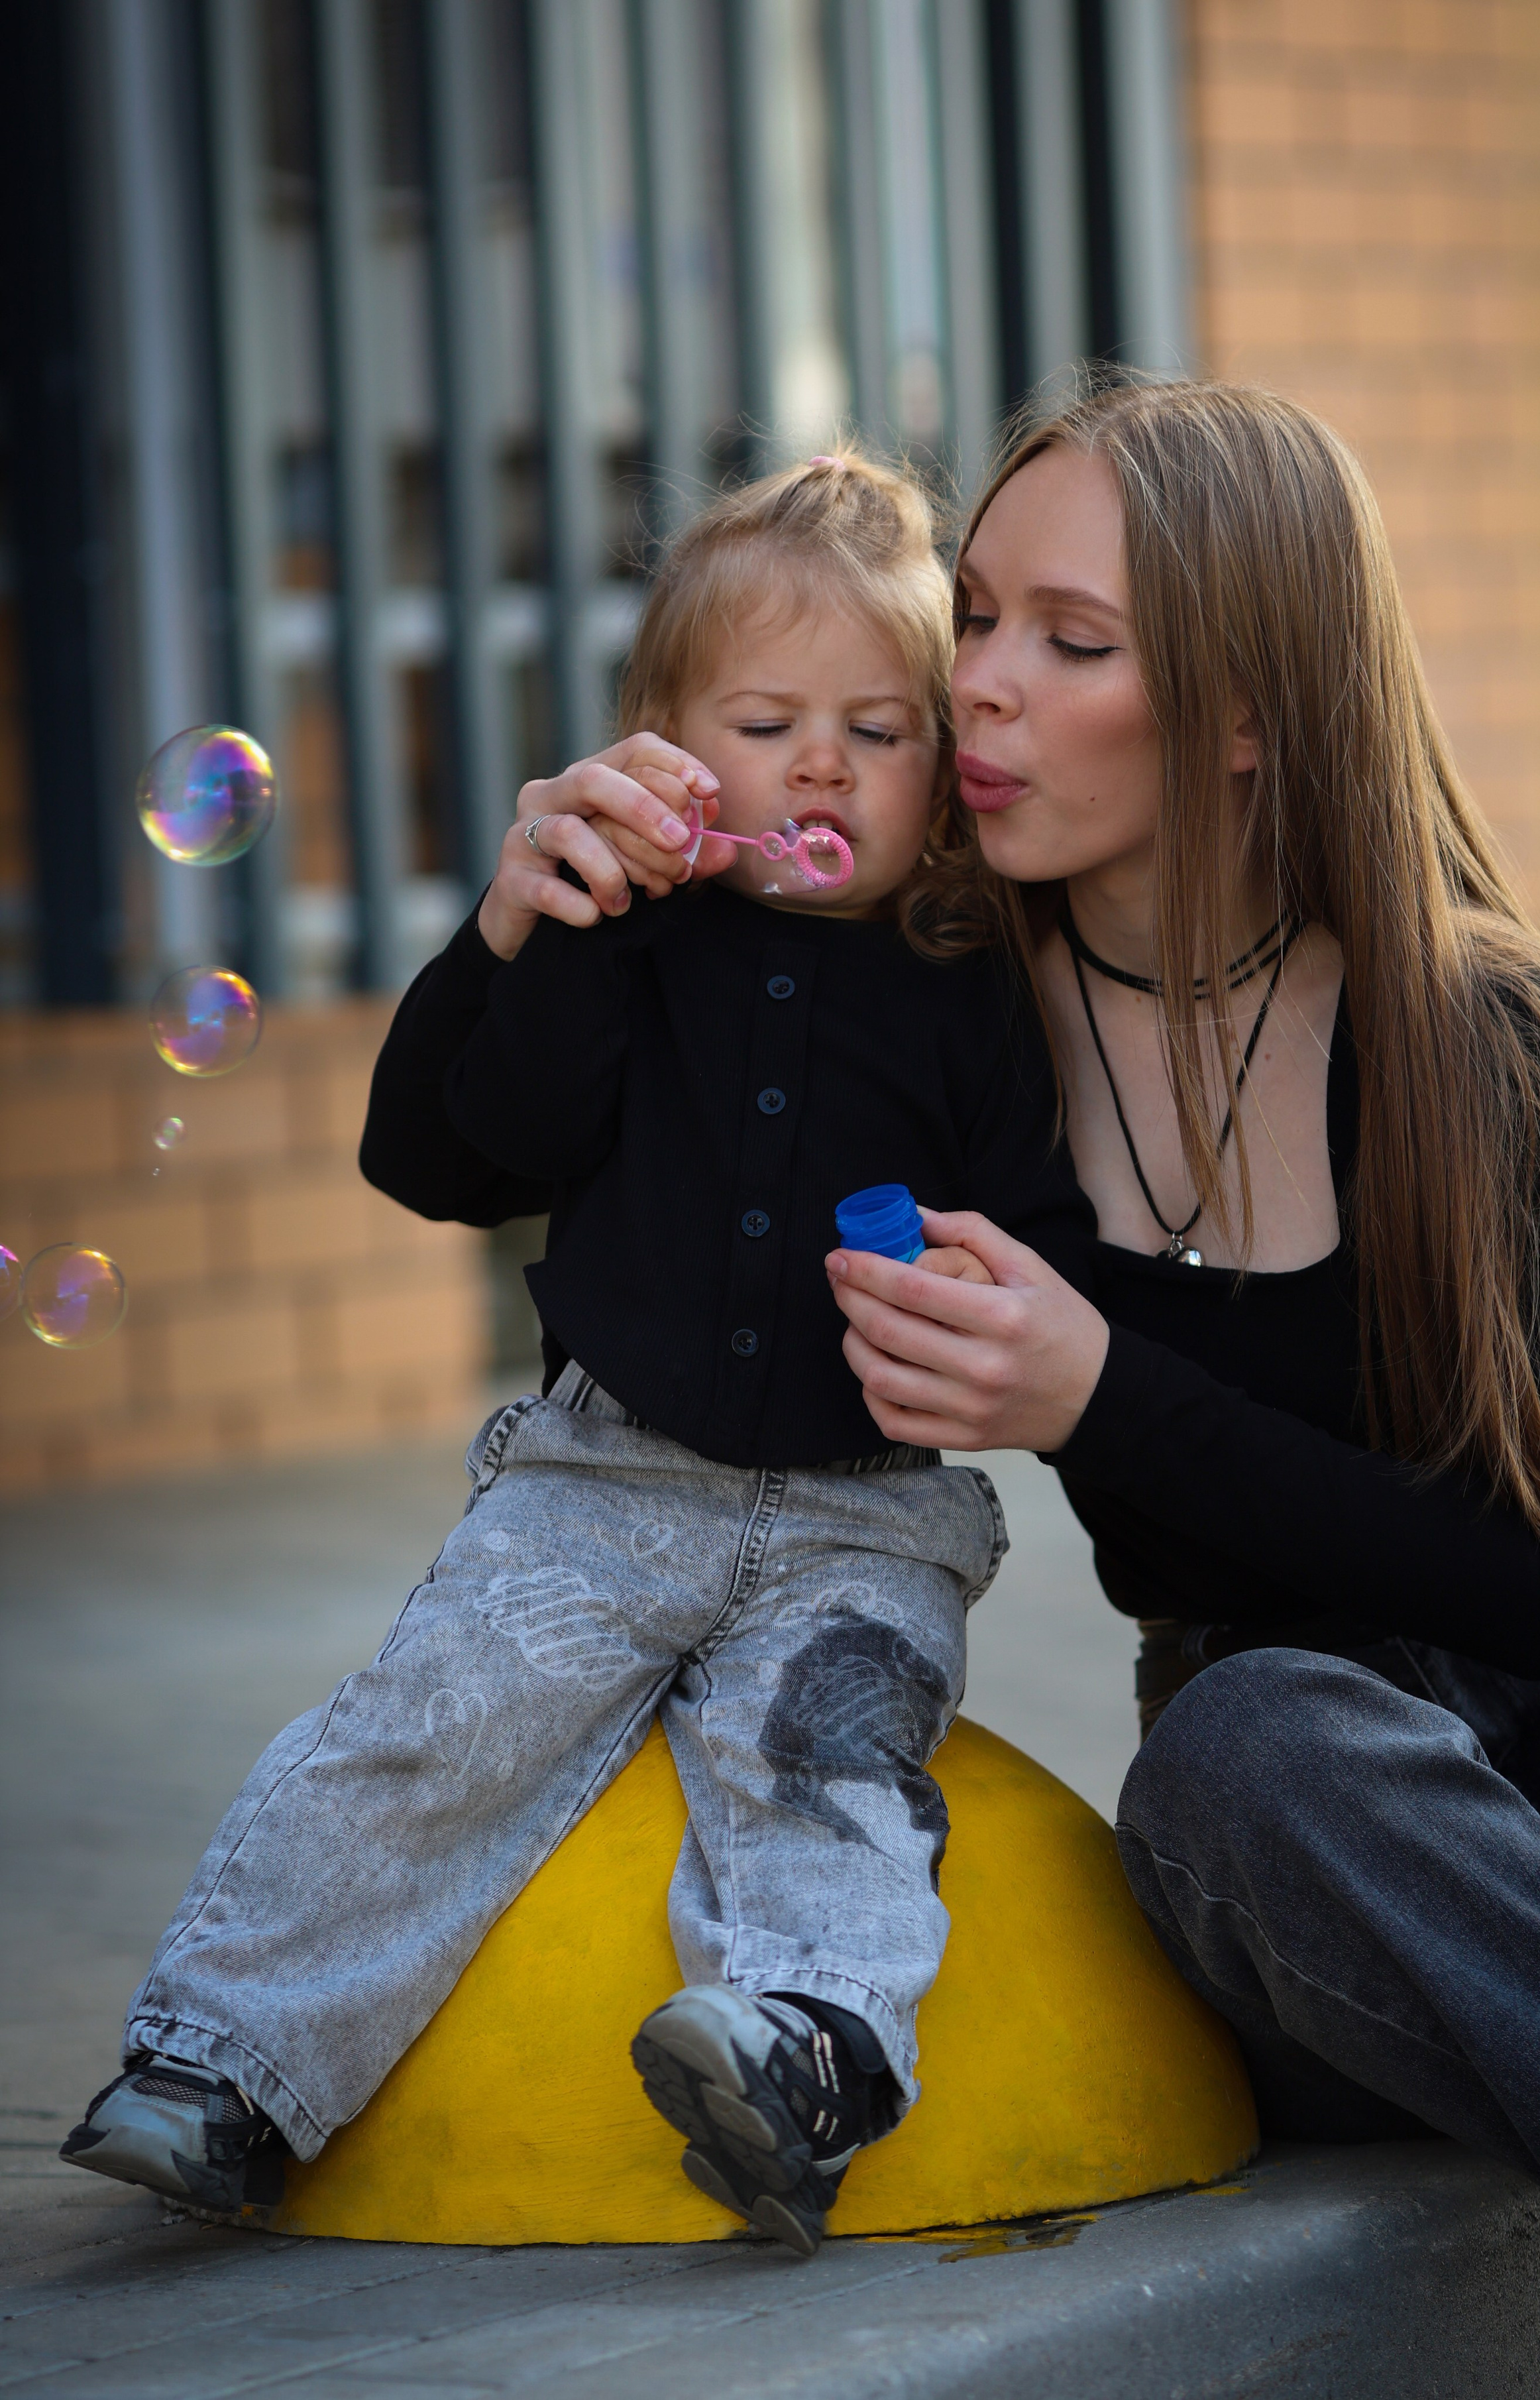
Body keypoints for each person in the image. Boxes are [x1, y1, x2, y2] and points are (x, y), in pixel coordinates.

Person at [60, 452, 1093, 2259]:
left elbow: (1040, 1243)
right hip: (603, 1477)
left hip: (869, 1514)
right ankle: (219, 2068)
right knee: (434, 1726)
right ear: (664, 746)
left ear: (948, 767)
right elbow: (478, 1144)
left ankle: (804, 2055)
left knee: (828, 1760)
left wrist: (996, 1304)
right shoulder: (626, 936)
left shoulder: (978, 982)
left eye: (879, 725)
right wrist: (538, 928)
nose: (825, 765)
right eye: (767, 722)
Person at [824, 376, 1540, 2358]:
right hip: (1325, 1805)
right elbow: (538, 1137)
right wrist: (545, 930)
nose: (981, 685)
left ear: (1243, 711)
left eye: (1072, 640)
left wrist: (1102, 1395)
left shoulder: (1481, 1024)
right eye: (972, 616)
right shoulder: (953, 1038)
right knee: (1237, 1760)